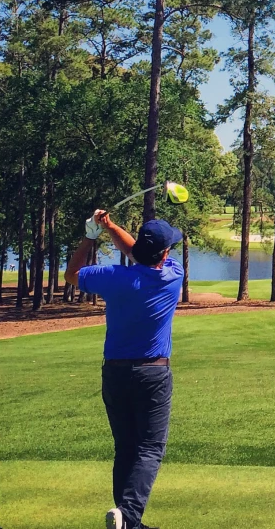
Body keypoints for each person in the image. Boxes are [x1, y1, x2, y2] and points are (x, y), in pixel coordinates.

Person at [65, 210, 185, 529]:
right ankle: (129, 514)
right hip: (153, 375)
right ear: (164, 253)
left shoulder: (115, 278)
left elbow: (72, 274)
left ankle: (127, 522)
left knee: (127, 448)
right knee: (150, 447)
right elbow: (137, 251)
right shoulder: (173, 275)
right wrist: (111, 228)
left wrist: (94, 233)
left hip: (115, 374)